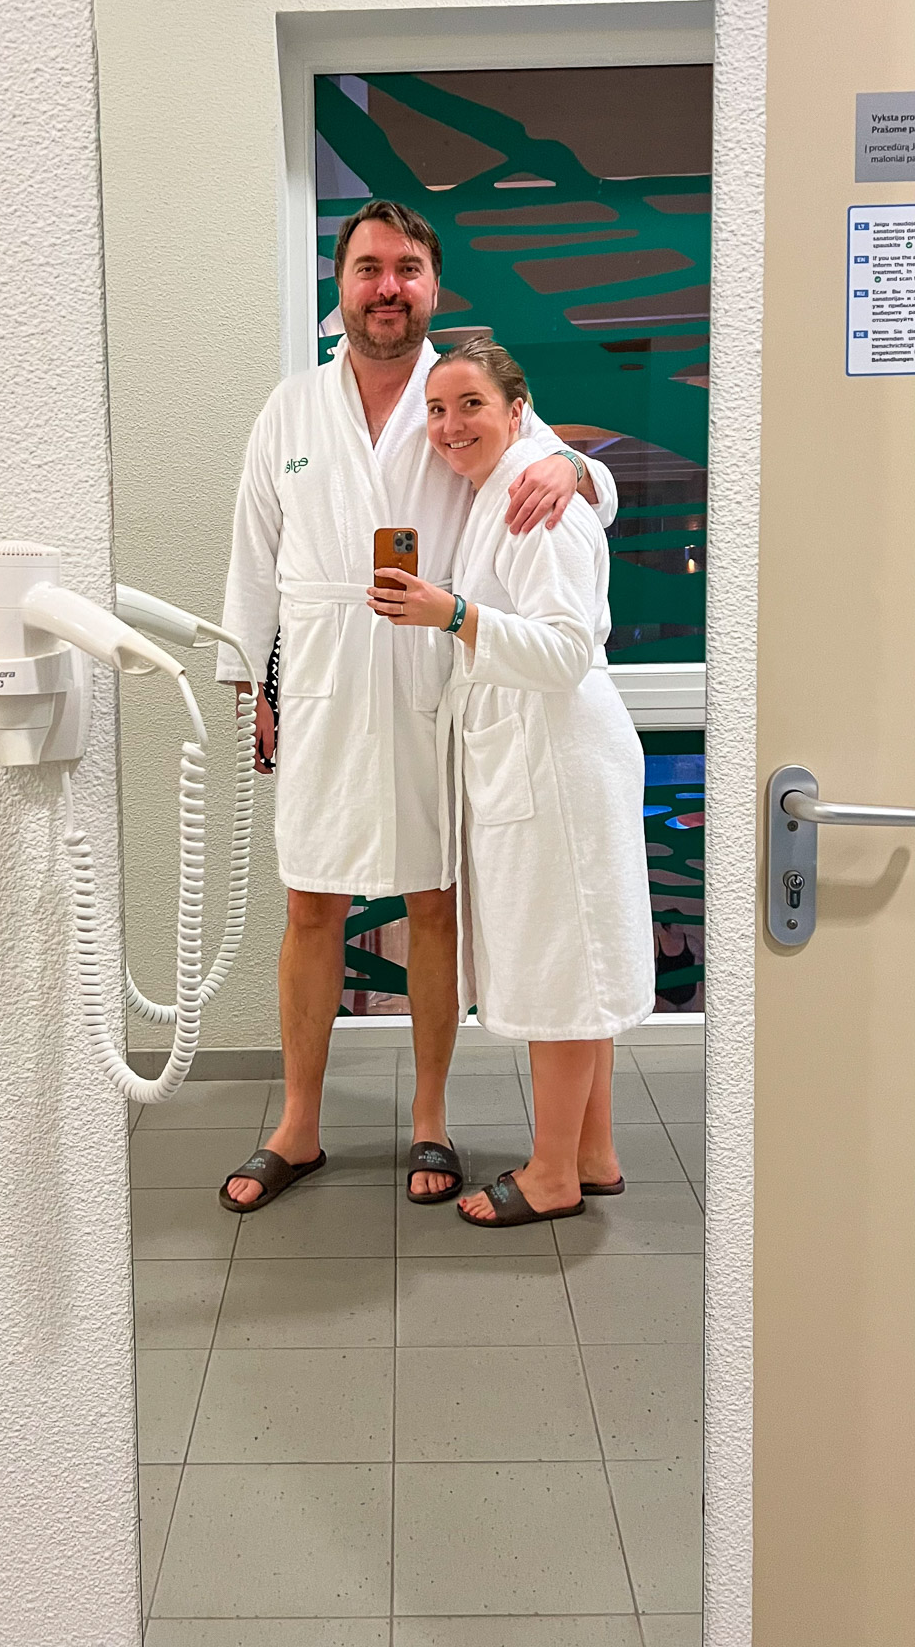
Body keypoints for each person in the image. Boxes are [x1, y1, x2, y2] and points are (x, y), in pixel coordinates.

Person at [216, 201, 618, 1213]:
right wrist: (249, 681)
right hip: (316, 681)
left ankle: (430, 1118)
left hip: (434, 683)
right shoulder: (290, 410)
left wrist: (579, 467)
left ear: (434, 286)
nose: (386, 286)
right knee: (312, 903)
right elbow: (251, 555)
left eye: (406, 268)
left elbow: (563, 474)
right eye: (366, 268)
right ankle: (298, 1124)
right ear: (340, 286)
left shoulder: (461, 389)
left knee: (433, 904)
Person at [368, 337, 654, 1226]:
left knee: (565, 976)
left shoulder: (541, 500)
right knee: (580, 965)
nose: (451, 427)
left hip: (558, 761)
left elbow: (569, 649)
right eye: (439, 410)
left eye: (472, 407)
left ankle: (552, 1174)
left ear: (518, 411)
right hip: (538, 760)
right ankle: (594, 1153)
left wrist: (448, 612)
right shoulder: (507, 489)